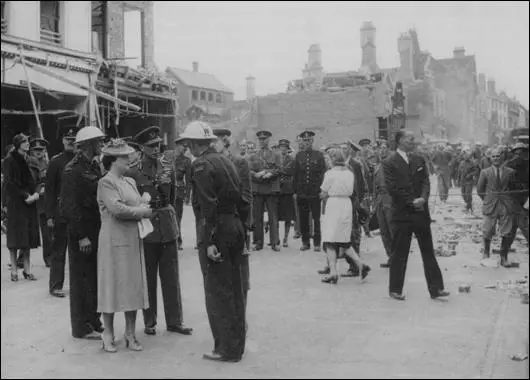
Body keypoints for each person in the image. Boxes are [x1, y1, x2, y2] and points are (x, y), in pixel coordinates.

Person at [181, 121, 248, 362]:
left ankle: (224, 349)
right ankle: (237, 345)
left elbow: (208, 206)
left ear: (192, 143)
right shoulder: (226, 160)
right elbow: (242, 199)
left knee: (218, 291)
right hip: (234, 226)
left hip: (217, 229)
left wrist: (210, 240)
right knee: (235, 288)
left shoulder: (201, 165)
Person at [128, 126, 192, 336]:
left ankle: (175, 321)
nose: (156, 149)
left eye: (157, 145)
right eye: (150, 146)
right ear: (141, 148)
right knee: (148, 277)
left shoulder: (167, 167)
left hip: (167, 225)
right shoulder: (133, 171)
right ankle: (150, 321)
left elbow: (172, 198)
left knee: (171, 276)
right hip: (146, 228)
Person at [96, 139, 152, 353]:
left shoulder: (129, 181)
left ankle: (130, 333)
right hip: (113, 242)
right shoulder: (106, 182)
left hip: (131, 240)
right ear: (113, 160)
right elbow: (117, 209)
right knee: (111, 286)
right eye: (124, 157)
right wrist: (143, 211)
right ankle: (108, 333)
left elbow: (135, 204)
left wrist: (143, 205)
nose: (129, 159)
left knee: (132, 287)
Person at [383, 130, 449, 301]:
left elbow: (426, 181)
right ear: (399, 141)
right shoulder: (389, 162)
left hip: (421, 212)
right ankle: (395, 289)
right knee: (400, 253)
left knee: (428, 252)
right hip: (402, 213)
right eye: (409, 139)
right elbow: (392, 188)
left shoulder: (419, 159)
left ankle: (436, 288)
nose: (413, 141)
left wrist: (424, 198)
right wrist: (411, 201)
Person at [60, 126, 105, 339]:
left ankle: (94, 320)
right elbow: (69, 207)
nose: (102, 145)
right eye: (99, 141)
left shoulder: (94, 166)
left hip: (95, 229)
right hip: (82, 232)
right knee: (81, 279)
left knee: (93, 277)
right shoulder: (73, 170)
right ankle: (81, 326)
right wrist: (81, 236)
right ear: (88, 144)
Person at [212, 128, 251, 315]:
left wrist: (245, 226)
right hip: (218, 226)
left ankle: (241, 315)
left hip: (237, 224)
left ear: (226, 142)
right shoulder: (210, 164)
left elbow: (246, 197)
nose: (214, 145)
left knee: (241, 274)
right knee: (221, 275)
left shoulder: (239, 162)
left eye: (218, 141)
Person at [320, 148, 370, 284]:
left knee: (329, 239)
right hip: (346, 205)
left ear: (332, 160)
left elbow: (323, 192)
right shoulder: (349, 173)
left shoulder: (330, 173)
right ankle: (361, 265)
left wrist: (323, 195)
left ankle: (333, 272)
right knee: (343, 239)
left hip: (334, 204)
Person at [3, 133, 40, 282]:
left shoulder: (30, 160)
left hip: (29, 203)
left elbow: (37, 180)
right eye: (24, 142)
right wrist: (26, 196)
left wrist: (35, 194)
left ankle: (27, 269)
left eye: (27, 141)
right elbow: (9, 183)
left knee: (26, 237)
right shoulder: (9, 161)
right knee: (14, 239)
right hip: (15, 202)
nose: (27, 144)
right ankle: (13, 270)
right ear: (18, 144)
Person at [45, 127, 77, 297]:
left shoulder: (82, 160)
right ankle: (56, 286)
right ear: (63, 140)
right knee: (59, 251)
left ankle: (77, 287)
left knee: (78, 252)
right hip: (61, 214)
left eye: (74, 138)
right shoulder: (55, 162)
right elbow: (49, 190)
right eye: (68, 138)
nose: (71, 141)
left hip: (78, 214)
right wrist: (50, 215)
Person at [476, 148, 521, 266]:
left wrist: (509, 200)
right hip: (490, 205)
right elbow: (480, 190)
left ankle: (504, 257)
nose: (496, 158)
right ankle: (486, 252)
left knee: (507, 230)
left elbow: (513, 188)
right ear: (490, 159)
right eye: (493, 156)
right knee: (488, 229)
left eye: (498, 156)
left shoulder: (510, 172)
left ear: (502, 157)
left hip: (505, 205)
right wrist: (488, 199)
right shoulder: (485, 172)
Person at [247, 130, 282, 251]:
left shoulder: (276, 154)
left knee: (273, 217)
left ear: (269, 140)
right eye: (260, 139)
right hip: (257, 188)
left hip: (271, 188)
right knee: (257, 217)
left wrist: (269, 173)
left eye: (265, 139)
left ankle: (275, 242)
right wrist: (255, 175)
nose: (262, 141)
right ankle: (258, 242)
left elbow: (279, 169)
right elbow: (248, 170)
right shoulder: (253, 155)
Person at [293, 131, 327, 252]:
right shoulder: (299, 156)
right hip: (302, 192)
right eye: (305, 140)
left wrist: (322, 189)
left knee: (316, 219)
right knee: (303, 218)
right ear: (302, 141)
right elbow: (295, 175)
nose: (307, 142)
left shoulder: (318, 155)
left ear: (312, 141)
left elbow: (323, 173)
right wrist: (295, 192)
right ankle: (305, 242)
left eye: (309, 140)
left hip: (315, 192)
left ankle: (317, 243)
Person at [27, 137, 52, 267]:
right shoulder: (27, 164)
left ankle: (48, 258)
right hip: (29, 200)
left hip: (44, 203)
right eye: (35, 150)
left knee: (47, 233)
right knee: (27, 230)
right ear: (31, 150)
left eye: (40, 150)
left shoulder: (48, 164)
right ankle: (21, 259)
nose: (38, 152)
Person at [504, 142, 529, 247]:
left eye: (521, 152)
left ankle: (506, 247)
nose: (518, 155)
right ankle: (505, 247)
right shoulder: (508, 165)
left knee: (518, 223)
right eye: (516, 153)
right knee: (519, 223)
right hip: (513, 198)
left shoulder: (527, 164)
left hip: (526, 198)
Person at [173, 136, 192, 250]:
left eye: (186, 147)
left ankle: (178, 240)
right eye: (182, 146)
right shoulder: (167, 158)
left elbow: (189, 180)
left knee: (177, 217)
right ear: (177, 145)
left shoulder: (186, 161)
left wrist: (187, 195)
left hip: (179, 192)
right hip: (166, 190)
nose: (184, 149)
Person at [277, 139, 296, 247]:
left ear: (288, 148)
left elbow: (289, 171)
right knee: (276, 215)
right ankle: (277, 238)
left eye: (285, 147)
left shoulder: (292, 159)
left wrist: (279, 170)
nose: (283, 149)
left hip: (288, 189)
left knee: (288, 217)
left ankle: (285, 238)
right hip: (277, 189)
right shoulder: (276, 158)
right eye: (281, 147)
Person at [459, 148, 480, 213]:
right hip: (463, 181)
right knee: (463, 194)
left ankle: (468, 206)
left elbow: (476, 171)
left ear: (469, 156)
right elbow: (459, 172)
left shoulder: (472, 163)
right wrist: (458, 179)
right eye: (464, 155)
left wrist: (470, 175)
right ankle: (469, 204)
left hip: (469, 181)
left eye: (467, 156)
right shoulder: (461, 162)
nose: (465, 157)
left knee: (468, 194)